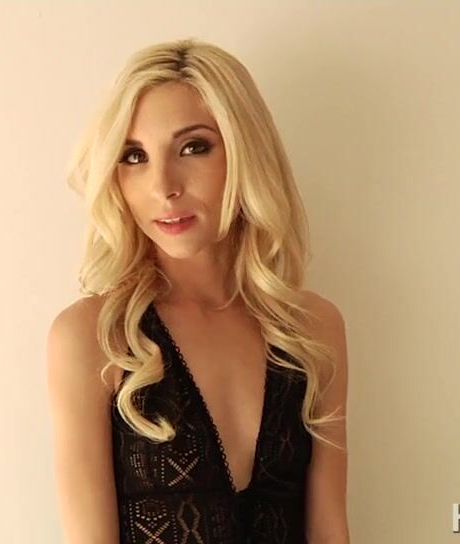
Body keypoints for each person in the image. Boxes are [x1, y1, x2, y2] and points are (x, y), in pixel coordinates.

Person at [46, 37, 350, 544]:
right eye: (134, 156)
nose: (163, 186)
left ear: (244, 153)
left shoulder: (313, 329)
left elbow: (330, 529)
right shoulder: (94, 338)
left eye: (193, 147)